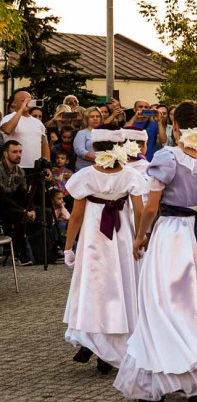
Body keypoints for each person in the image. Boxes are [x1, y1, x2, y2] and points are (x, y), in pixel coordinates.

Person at [114, 101, 197, 402]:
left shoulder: (168, 156)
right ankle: (192, 377)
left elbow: (152, 207)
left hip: (170, 237)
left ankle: (161, 386)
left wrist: (140, 235)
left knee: (159, 306)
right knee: (196, 306)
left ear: (176, 128)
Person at [62, 128, 147, 373]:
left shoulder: (86, 175)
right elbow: (139, 211)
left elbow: (76, 216)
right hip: (122, 237)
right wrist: (140, 238)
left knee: (95, 287)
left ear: (95, 148)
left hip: (93, 238)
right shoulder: (130, 174)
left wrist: (69, 247)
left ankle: (98, 343)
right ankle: (115, 341)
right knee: (120, 283)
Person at [0, 141, 35, 262]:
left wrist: (32, 209)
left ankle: (41, 252)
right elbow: (1, 197)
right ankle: (20, 253)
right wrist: (24, 211)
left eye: (20, 152)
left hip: (12, 204)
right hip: (1, 204)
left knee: (44, 212)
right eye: (15, 152)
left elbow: (24, 195)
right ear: (5, 154)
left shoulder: (20, 171)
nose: (19, 155)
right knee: (21, 215)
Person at [2, 89, 49, 173]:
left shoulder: (37, 122)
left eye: (29, 100)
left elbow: (44, 145)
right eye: (23, 101)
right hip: (15, 167)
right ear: (14, 103)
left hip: (36, 168)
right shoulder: (9, 118)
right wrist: (21, 110)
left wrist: (47, 166)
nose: (26, 103)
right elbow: (7, 129)